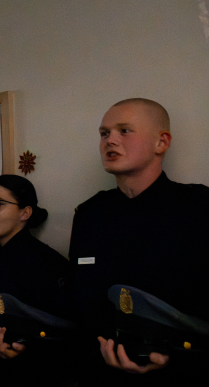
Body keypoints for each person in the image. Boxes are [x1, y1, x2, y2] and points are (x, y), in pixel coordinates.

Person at [68, 98, 209, 386]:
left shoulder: (198, 208)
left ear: (161, 142)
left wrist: (177, 357)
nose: (111, 140)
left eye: (124, 131)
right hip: (98, 371)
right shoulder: (89, 214)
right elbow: (81, 302)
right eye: (104, 133)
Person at [0, 175, 72, 386]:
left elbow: (59, 330)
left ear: (25, 213)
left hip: (29, 373)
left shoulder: (47, 262)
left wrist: (23, 344)